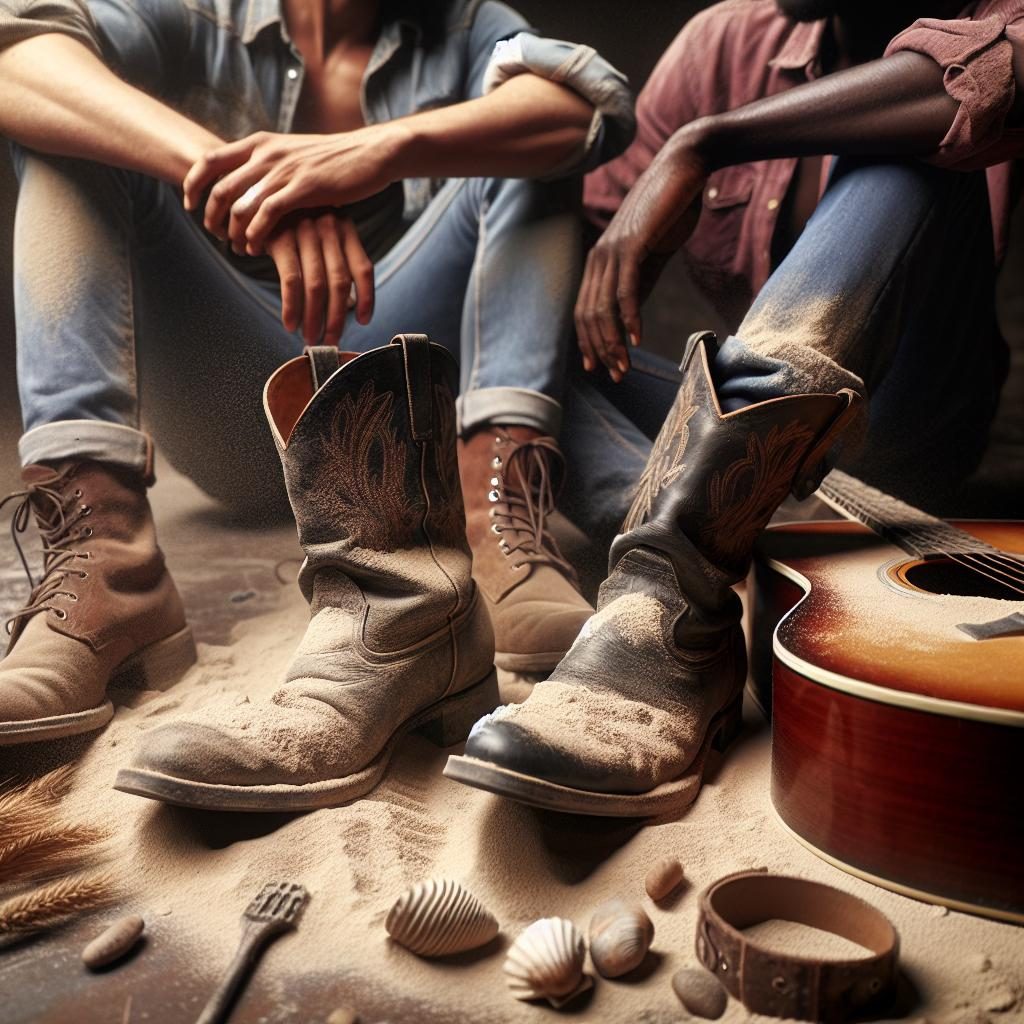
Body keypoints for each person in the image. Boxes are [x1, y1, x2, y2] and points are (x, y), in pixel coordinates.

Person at [445, 0, 1024, 816]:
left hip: (902, 425)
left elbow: (990, 78)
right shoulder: (727, 39)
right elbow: (587, 236)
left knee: (912, 138)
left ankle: (668, 594)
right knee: (516, 348)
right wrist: (584, 259)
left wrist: (712, 138)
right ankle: (689, 529)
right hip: (757, 441)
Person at [0, 0, 634, 745]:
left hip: (405, 438)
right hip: (228, 400)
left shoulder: (463, 27)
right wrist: (252, 186)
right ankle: (110, 564)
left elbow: (586, 108)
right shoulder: (198, 16)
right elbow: (16, 57)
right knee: (70, 129)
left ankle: (487, 517)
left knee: (531, 138)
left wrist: (372, 151)